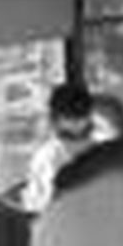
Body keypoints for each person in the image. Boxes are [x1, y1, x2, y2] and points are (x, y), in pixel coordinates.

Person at [23, 82, 98, 212]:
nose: (76, 122)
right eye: (69, 116)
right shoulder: (44, 159)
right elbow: (33, 207)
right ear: (56, 119)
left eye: (81, 114)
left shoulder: (105, 153)